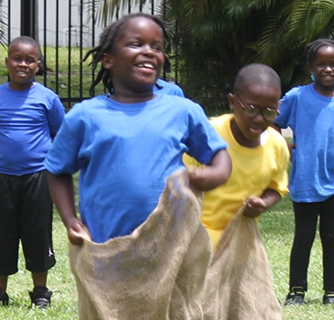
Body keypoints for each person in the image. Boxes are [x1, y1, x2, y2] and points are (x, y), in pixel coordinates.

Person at [45, 10, 232, 308]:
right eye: (136, 44)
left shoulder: (182, 111)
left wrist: (206, 176)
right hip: (107, 248)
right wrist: (70, 219)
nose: (149, 51)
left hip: (171, 248)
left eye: (156, 47)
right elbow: (56, 170)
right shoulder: (86, 116)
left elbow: (221, 159)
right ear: (108, 59)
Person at [276, 38, 334, 306]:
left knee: (332, 237)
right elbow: (273, 121)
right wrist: (285, 148)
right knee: (303, 237)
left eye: (333, 64)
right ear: (310, 66)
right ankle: (297, 290)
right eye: (320, 64)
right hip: (305, 180)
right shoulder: (297, 96)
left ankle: (332, 292)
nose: (327, 69)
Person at [0, 36, 64, 310]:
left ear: (38, 65)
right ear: (7, 62)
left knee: (37, 231)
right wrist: (7, 160)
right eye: (17, 59)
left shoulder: (48, 99)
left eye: (29, 60)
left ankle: (40, 290)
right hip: (1, 176)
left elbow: (58, 134)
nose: (22, 64)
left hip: (38, 176)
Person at [185, 63, 287, 247]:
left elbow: (277, 188)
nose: (259, 119)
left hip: (240, 246)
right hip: (196, 243)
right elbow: (178, 184)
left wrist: (263, 204)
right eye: (251, 109)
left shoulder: (277, 145)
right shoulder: (208, 135)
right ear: (232, 102)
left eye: (270, 112)